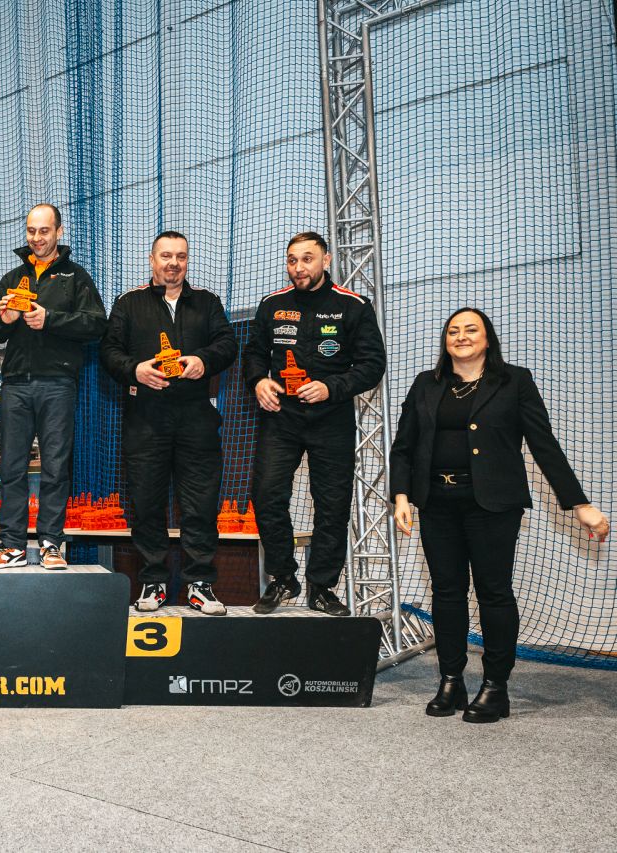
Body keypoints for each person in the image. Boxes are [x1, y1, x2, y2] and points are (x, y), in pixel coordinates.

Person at [391, 307, 608, 722]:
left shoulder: (514, 381)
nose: (461, 336)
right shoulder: (425, 384)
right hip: (436, 503)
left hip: (492, 505)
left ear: (487, 338)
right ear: (445, 341)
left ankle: (495, 687)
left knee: (493, 592)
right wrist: (402, 497)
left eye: (471, 329)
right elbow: (404, 446)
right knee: (447, 593)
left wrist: (580, 504)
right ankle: (451, 681)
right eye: (453, 331)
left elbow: (544, 444)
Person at [244, 232, 386, 616]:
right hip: (281, 417)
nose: (298, 267)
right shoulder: (272, 305)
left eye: (307, 259)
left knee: (332, 505)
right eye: (292, 260)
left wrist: (330, 387)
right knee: (266, 494)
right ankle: (283, 578)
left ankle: (321, 587)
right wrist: (258, 381)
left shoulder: (353, 305)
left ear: (326, 260)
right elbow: (254, 353)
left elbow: (373, 365)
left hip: (331, 419)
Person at [100, 231, 238, 612]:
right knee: (147, 505)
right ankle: (154, 583)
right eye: (166, 256)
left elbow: (228, 344)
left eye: (180, 256)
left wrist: (204, 361)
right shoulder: (128, 303)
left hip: (196, 421)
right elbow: (108, 351)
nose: (173, 263)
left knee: (200, 506)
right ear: (152, 260)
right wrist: (135, 370)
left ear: (187, 261)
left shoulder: (207, 302)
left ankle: (200, 585)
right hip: (145, 422)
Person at [0, 204, 106, 570]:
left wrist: (50, 319)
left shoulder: (76, 277)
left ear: (59, 232)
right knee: (10, 467)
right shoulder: (12, 277)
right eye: (32, 231)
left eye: (44, 231)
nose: (37, 238)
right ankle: (12, 546)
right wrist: (5, 319)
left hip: (58, 383)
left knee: (55, 467)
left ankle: (51, 544)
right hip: (15, 384)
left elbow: (97, 324)